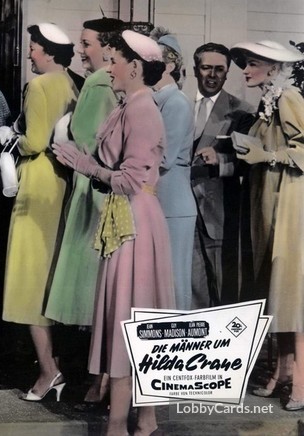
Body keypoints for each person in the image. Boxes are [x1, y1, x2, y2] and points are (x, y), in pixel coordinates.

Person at [53, 30, 174, 436]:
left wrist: (85, 166)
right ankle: (143, 420)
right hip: (126, 217)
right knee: (133, 315)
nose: (108, 69)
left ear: (134, 67)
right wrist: (86, 162)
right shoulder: (131, 105)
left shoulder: (142, 109)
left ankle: (120, 424)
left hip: (135, 221)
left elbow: (130, 180)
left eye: (113, 62)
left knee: (131, 316)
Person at [43, 17, 123, 412]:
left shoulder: (98, 83)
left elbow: (87, 140)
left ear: (108, 48)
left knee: (93, 290)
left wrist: (62, 136)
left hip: (93, 192)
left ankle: (98, 382)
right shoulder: (109, 82)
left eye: (86, 43)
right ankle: (100, 379)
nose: (80, 50)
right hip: (98, 188)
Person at [1, 22, 78, 403]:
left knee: (30, 280)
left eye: (33, 47)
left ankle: (48, 371)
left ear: (48, 52)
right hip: (61, 182)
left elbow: (33, 141)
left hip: (37, 180)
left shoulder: (38, 85)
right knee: (49, 278)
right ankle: (54, 364)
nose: (29, 53)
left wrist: (9, 136)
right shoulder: (71, 84)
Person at [229, 40, 304, 411]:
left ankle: (300, 380)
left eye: (252, 64)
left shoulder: (289, 98)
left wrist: (268, 155)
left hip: (289, 201)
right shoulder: (268, 101)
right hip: (269, 200)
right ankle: (283, 371)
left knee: (291, 291)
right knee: (276, 288)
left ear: (273, 68)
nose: (245, 70)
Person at [190, 42, 254, 309]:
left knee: (222, 286)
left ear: (227, 72)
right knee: (191, 287)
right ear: (196, 69)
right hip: (182, 213)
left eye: (220, 69)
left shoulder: (242, 111)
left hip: (218, 212)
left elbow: (249, 163)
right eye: (207, 68)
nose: (213, 75)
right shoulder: (180, 106)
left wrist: (221, 160)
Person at [151, 28, 197, 310]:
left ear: (169, 66)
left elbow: (164, 159)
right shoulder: (156, 100)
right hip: (160, 202)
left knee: (174, 282)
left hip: (174, 205)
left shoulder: (176, 103)